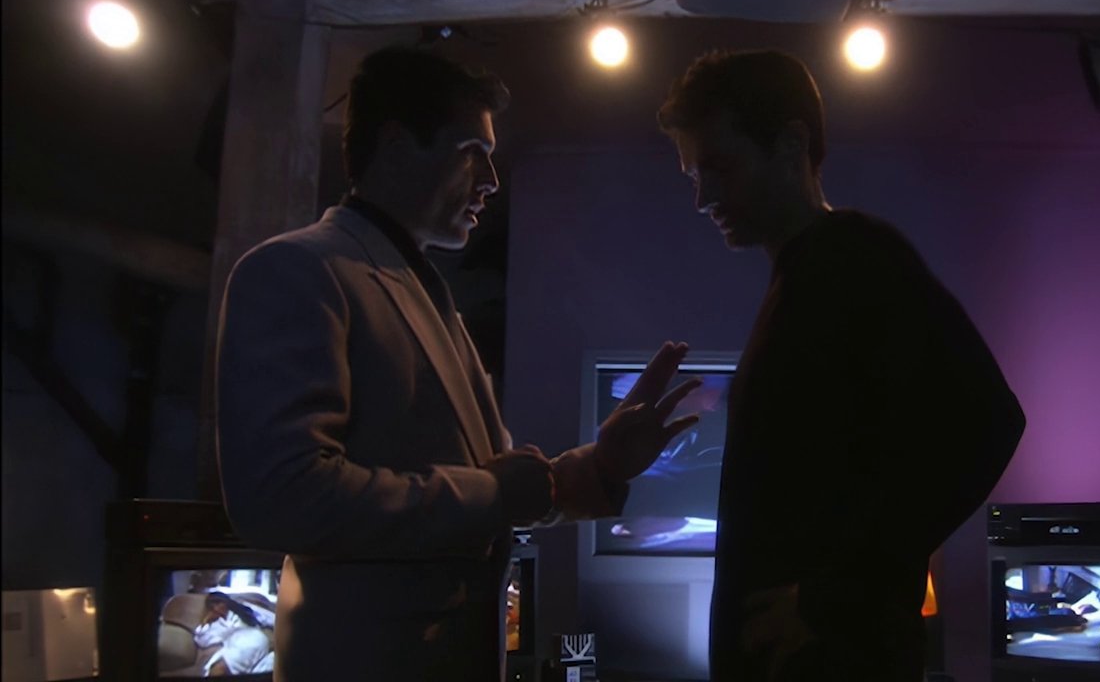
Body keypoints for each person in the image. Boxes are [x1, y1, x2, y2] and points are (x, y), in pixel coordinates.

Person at [215, 46, 700, 681]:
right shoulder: (296, 270)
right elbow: (281, 498)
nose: (492, 179)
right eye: (473, 151)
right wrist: (494, 493)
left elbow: (491, 489)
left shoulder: (420, 289)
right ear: (395, 144)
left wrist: (601, 465)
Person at [657, 49, 1026, 681]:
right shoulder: (807, 276)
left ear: (791, 145)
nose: (701, 197)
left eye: (717, 166)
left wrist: (834, 599)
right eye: (694, 174)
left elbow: (990, 422)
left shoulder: (855, 257)